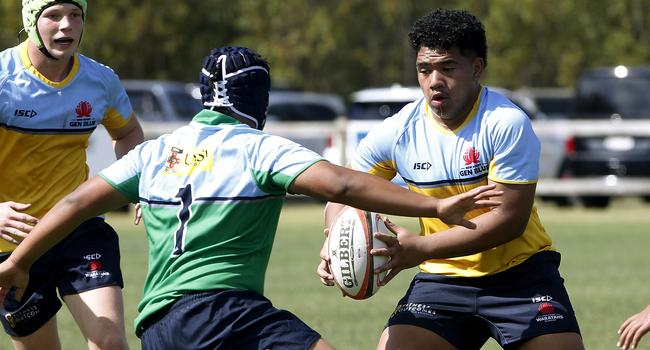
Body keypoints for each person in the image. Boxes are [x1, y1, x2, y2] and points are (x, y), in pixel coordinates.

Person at [0, 45, 503, 350]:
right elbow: (344, 184)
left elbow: (70, 206)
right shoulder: (259, 149)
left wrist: (19, 261)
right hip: (226, 313)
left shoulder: (154, 153)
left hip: (157, 329)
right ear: (256, 100)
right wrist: (435, 207)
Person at [317, 8, 585, 349]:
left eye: (447, 68)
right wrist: (334, 239)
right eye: (424, 69)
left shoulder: (504, 123)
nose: (434, 81)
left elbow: (509, 220)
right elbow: (346, 190)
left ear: (476, 68)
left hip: (521, 276)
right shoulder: (400, 131)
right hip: (442, 281)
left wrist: (421, 248)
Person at [0, 0, 144, 349]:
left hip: (77, 228)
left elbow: (127, 132)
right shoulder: (3, 79)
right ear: (31, 20)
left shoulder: (100, 80)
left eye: (75, 15)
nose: (66, 26)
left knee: (110, 342)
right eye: (53, 15)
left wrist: (139, 184)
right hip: (13, 243)